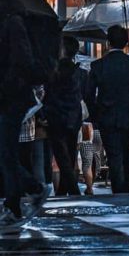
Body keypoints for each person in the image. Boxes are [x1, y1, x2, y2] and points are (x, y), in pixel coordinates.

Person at [0, 0, 48, 225]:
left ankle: (26, 195)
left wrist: (8, 83)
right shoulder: (10, 23)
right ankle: (20, 198)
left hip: (11, 97)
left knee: (6, 152)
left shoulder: (13, 23)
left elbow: (21, 61)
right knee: (6, 152)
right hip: (9, 96)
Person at [86, 25, 129, 194]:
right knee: (127, 153)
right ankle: (127, 189)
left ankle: (117, 190)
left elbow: (89, 94)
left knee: (114, 155)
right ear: (126, 42)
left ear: (108, 42)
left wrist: (95, 114)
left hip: (107, 116)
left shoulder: (98, 65)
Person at [44, 53, 84, 196]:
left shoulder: (54, 72)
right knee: (70, 154)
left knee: (61, 156)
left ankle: (71, 189)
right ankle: (64, 189)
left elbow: (48, 95)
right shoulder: (78, 73)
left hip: (56, 119)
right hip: (73, 119)